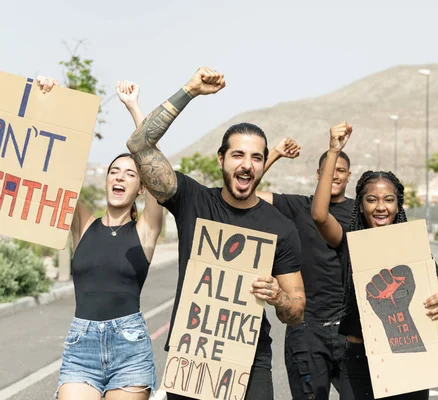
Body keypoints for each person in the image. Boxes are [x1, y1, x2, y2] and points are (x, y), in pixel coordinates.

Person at [125, 67, 305, 400]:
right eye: (238, 155)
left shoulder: (280, 228)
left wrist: (278, 297)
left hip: (251, 363)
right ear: (221, 159)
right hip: (193, 357)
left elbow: (296, 310)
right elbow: (139, 144)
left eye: (256, 158)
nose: (247, 164)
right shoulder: (192, 199)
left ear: (264, 165)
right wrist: (190, 90)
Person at [36, 76, 164, 400]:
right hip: (82, 348)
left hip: (129, 349)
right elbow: (54, 171)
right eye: (114, 172)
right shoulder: (82, 223)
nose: (120, 177)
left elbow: (155, 164)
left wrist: (134, 108)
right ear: (106, 181)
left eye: (130, 174)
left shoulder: (146, 229)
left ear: (141, 188)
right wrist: (46, 103)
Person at [311, 122, 438, 400]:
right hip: (359, 362)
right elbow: (319, 215)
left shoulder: (414, 247)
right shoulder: (349, 242)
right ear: (361, 206)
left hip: (409, 359)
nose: (381, 206)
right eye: (371, 199)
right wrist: (333, 152)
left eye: (388, 199)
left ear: (398, 205)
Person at [257, 138, 354, 399]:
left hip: (351, 330)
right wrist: (275, 154)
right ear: (318, 175)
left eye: (341, 170)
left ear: (349, 176)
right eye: (329, 170)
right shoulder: (297, 206)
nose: (335, 175)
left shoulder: (361, 212)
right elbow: (243, 192)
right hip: (306, 328)